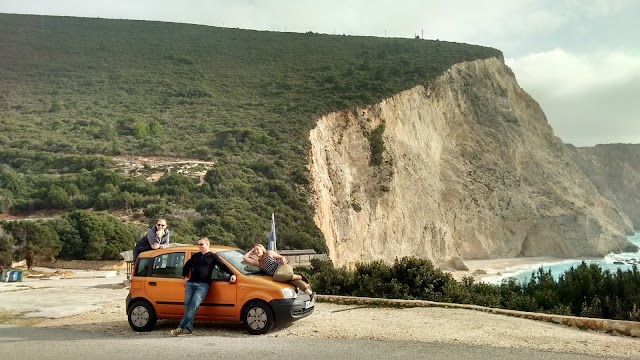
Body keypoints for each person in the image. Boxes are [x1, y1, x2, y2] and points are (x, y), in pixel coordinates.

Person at [171, 237, 237, 336]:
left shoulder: (213, 256)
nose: (199, 246)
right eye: (198, 244)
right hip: (190, 284)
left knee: (193, 307)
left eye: (201, 244)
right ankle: (188, 329)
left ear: (207, 244)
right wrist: (184, 277)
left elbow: (223, 266)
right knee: (187, 307)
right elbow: (187, 265)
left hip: (202, 285)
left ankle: (180, 327)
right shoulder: (195, 256)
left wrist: (232, 274)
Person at [243, 244, 314, 298]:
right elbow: (245, 258)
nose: (256, 251)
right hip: (280, 276)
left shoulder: (269, 253)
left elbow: (281, 257)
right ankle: (310, 294)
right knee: (294, 282)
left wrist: (282, 258)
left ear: (262, 249)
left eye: (257, 249)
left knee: (276, 277)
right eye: (255, 251)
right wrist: (252, 250)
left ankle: (299, 276)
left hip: (282, 268)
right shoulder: (258, 263)